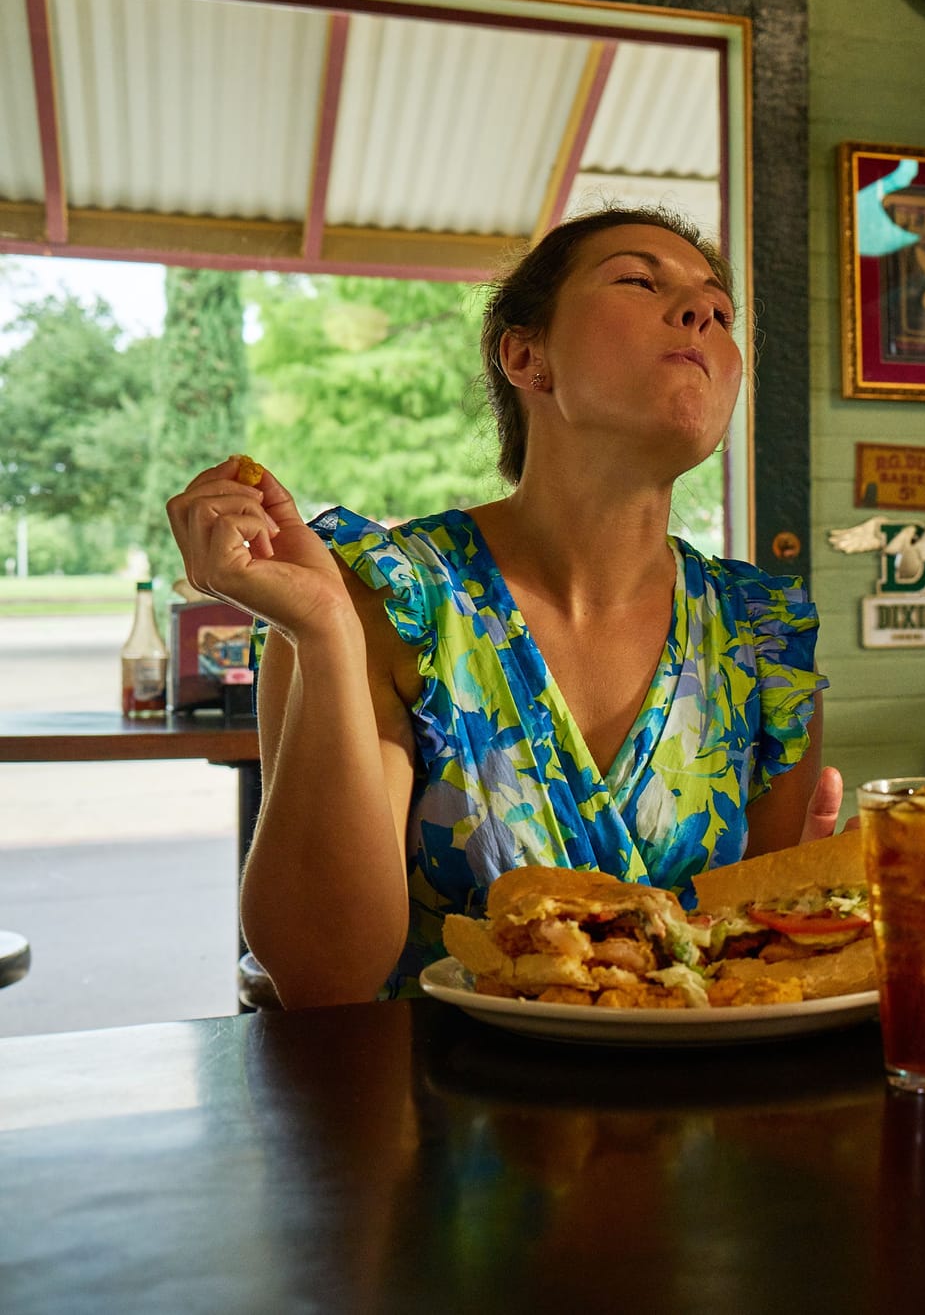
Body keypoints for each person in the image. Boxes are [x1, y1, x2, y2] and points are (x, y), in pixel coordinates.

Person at [167, 207, 838, 1007]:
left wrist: (818, 906)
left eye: (721, 311)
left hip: (697, 1120)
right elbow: (323, 974)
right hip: (431, 1111)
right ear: (526, 355)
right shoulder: (385, 598)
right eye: (637, 279)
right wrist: (322, 634)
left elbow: (744, 973)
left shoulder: (761, 637)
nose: (701, 312)